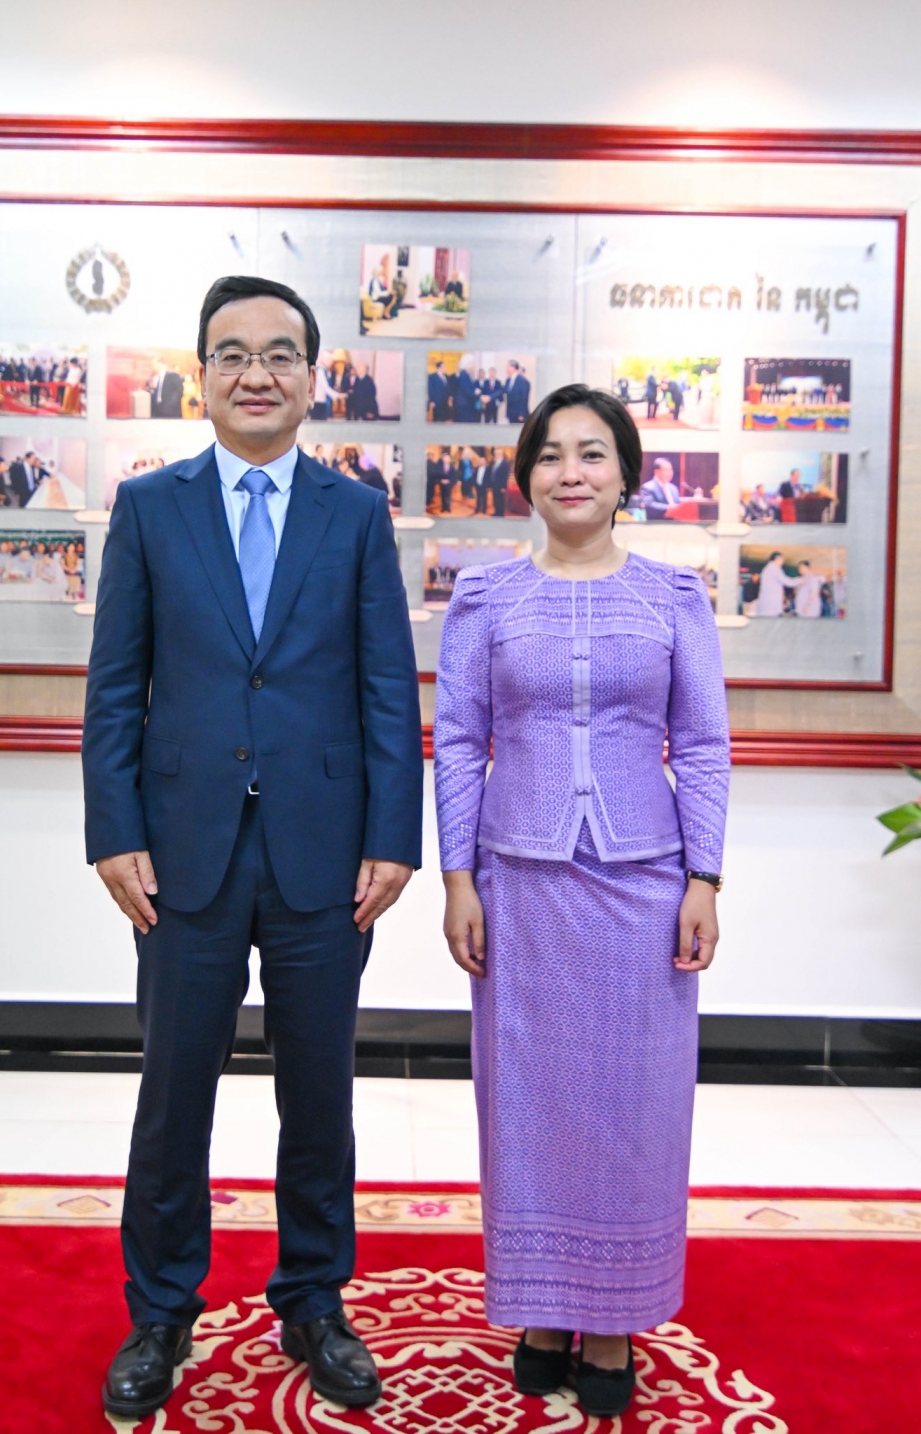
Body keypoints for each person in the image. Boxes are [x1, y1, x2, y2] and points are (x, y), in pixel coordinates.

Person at [83, 274, 423, 1424]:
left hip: (325, 851)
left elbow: (387, 688)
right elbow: (115, 688)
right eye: (232, 354)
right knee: (173, 1091)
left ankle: (315, 1301)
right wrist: (114, 831)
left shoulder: (355, 514)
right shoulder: (150, 508)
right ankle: (160, 1308)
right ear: (202, 377)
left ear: (313, 378)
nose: (256, 373)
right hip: (182, 852)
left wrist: (393, 835)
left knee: (317, 1093)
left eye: (280, 354)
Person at [434, 383, 729, 1420]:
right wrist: (458, 878)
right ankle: (544, 1309)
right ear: (525, 477)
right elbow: (457, 741)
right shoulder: (484, 599)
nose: (571, 472)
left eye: (592, 453)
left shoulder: (674, 596)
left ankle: (614, 1318)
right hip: (518, 883)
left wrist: (704, 878)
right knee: (528, 1102)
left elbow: (702, 745)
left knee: (635, 1106)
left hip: (644, 884)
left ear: (625, 475)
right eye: (552, 454)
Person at [756, 551, 802, 616]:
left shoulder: (769, 568)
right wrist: (800, 580)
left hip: (768, 604)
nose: (783, 562)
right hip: (770, 605)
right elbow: (787, 581)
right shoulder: (774, 569)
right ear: (777, 559)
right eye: (782, 560)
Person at [490, 448, 512, 516]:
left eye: (497, 454)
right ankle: (496, 512)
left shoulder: (505, 463)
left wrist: (503, 487)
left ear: (500, 454)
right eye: (495, 454)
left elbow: (505, 476)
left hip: (500, 486)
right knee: (495, 499)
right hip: (494, 484)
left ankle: (501, 514)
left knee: (500, 500)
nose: (495, 455)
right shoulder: (494, 462)